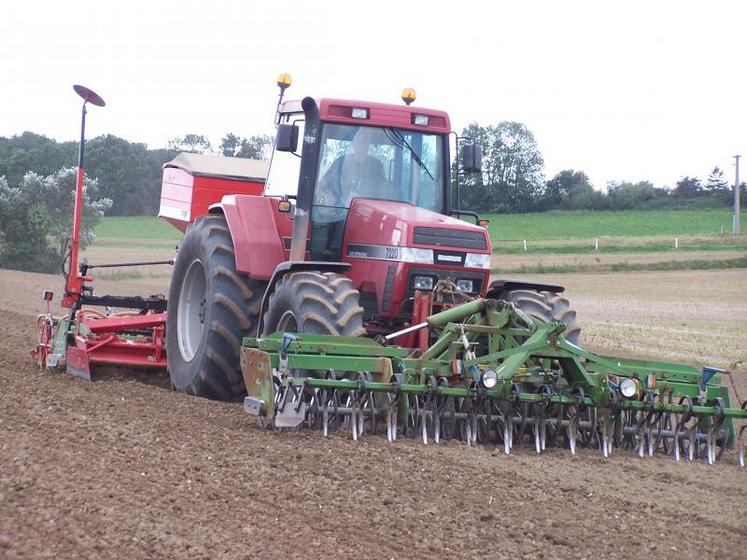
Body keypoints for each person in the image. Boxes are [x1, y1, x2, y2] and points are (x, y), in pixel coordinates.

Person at [311, 128, 390, 260]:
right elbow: (323, 183)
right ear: (353, 142)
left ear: (369, 144)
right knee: (323, 219)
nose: (363, 144)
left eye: (366, 140)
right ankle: (331, 252)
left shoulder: (376, 165)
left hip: (369, 210)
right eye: (360, 140)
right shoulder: (341, 161)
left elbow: (385, 189)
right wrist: (322, 198)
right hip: (340, 208)